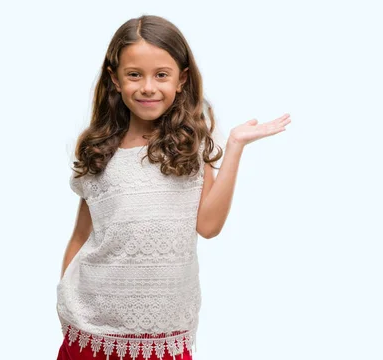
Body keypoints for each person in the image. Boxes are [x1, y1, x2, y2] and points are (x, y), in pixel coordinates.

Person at [56, 14, 291, 360]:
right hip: (91, 330)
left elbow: (208, 226)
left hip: (163, 333)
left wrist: (236, 146)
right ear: (115, 80)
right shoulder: (99, 150)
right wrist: (64, 297)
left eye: (161, 75)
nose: (148, 87)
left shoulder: (191, 147)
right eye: (134, 74)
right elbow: (81, 236)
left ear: (181, 80)